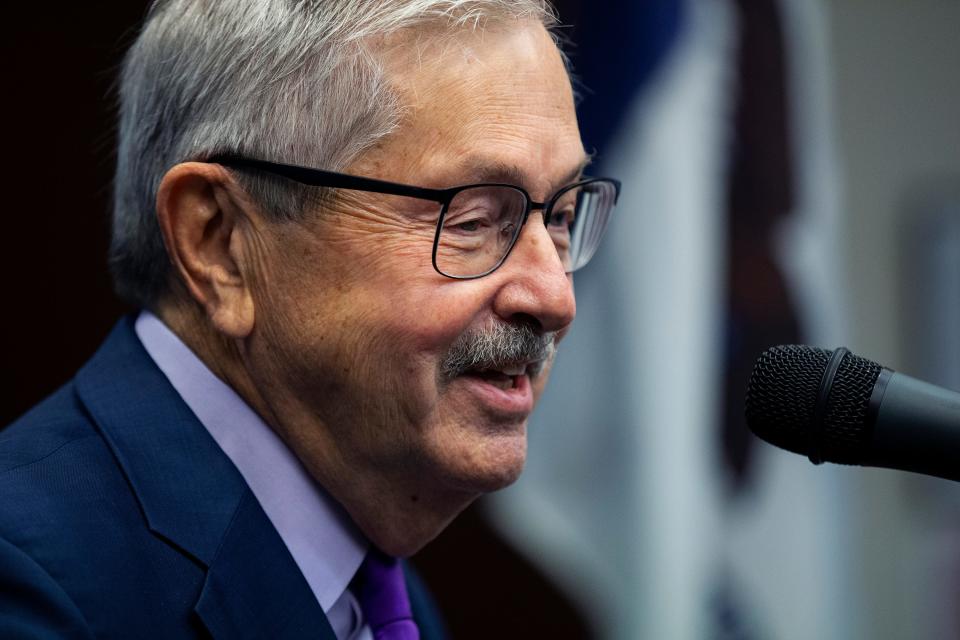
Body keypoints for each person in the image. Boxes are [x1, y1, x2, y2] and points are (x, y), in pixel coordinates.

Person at [0, 1, 619, 638]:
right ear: (220, 244)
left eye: (562, 217)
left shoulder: (384, 601)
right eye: (472, 221)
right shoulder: (31, 586)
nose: (555, 298)